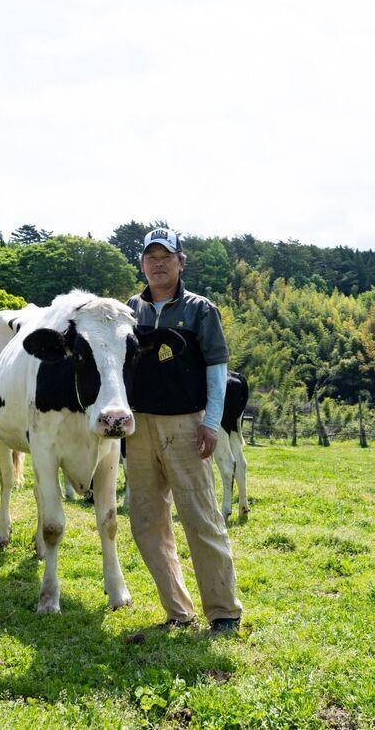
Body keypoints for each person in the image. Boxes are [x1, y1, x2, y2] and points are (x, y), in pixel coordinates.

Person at [125, 228, 242, 634]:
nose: (157, 263)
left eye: (166, 256)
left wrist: (211, 422)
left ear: (180, 261)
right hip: (138, 427)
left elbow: (217, 369)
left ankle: (224, 611)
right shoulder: (129, 311)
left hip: (186, 426)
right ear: (142, 262)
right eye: (150, 256)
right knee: (145, 520)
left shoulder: (200, 310)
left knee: (200, 516)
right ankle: (178, 610)